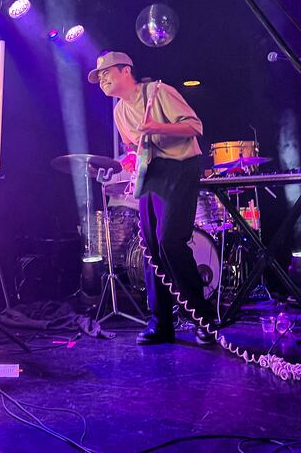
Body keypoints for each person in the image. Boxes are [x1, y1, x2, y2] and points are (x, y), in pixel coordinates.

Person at [88, 51, 215, 345]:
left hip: (180, 167)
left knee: (170, 240)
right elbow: (136, 149)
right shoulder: (119, 112)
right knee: (150, 248)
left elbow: (195, 126)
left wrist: (157, 127)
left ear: (126, 71)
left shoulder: (158, 92)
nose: (102, 80)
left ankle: (204, 319)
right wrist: (130, 161)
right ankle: (161, 323)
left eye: (107, 73)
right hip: (153, 172)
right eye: (99, 77)